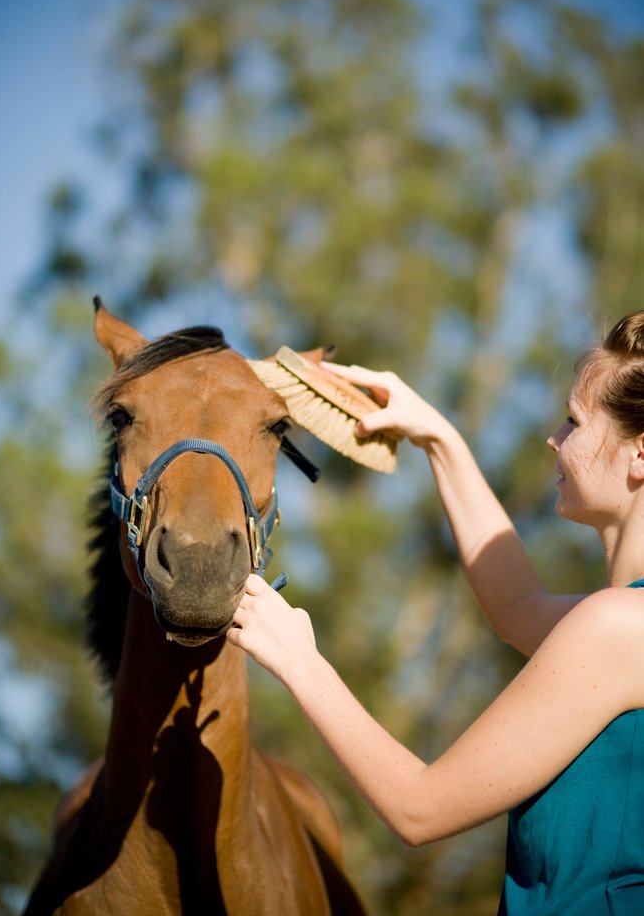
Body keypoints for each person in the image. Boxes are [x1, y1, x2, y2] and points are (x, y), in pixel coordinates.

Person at [227, 310, 644, 915]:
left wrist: (299, 660)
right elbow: (514, 605)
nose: (554, 438)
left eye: (574, 421)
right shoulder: (618, 625)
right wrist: (437, 437)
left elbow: (417, 809)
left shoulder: (618, 627)